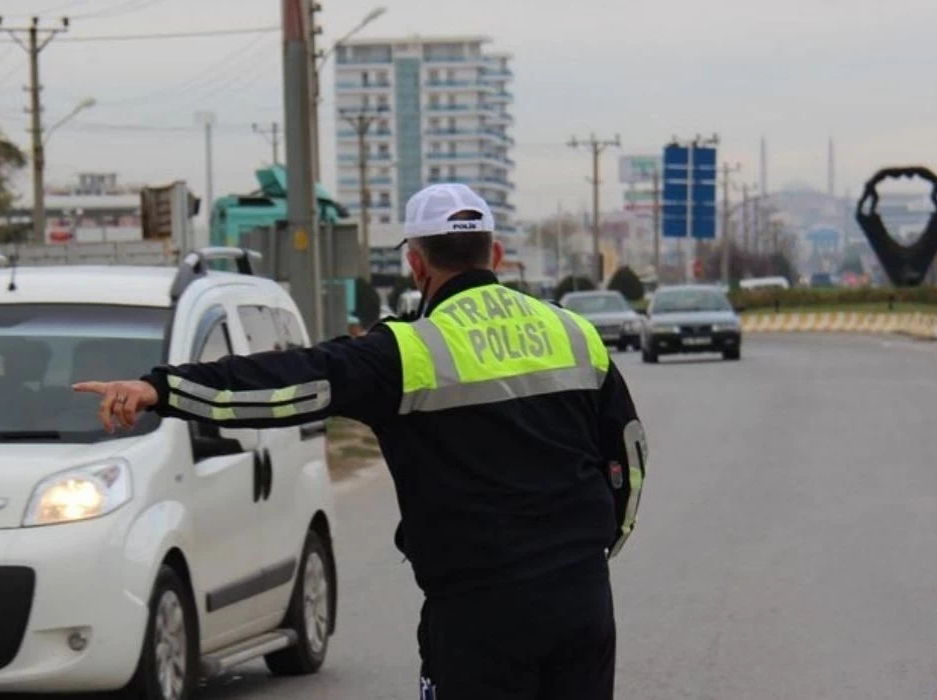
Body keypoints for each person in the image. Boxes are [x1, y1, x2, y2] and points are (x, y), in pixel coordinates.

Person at [73, 183, 647, 700]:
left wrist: (161, 390)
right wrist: (598, 547)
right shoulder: (576, 335)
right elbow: (629, 455)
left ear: (416, 265)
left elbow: (282, 387)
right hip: (582, 599)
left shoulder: (407, 352)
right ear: (495, 255)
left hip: (480, 611)